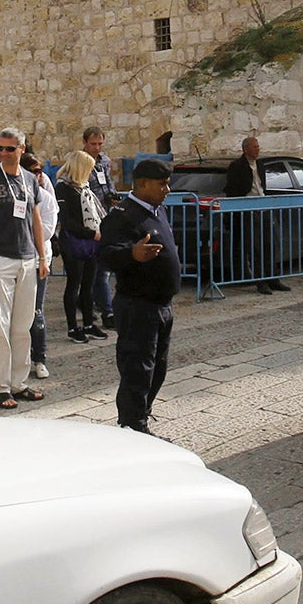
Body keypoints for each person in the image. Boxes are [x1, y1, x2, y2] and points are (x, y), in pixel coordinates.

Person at [98, 157, 184, 434]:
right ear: (143, 184)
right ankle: (132, 426)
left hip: (161, 305)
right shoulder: (122, 216)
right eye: (162, 184)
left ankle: (142, 415)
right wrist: (131, 254)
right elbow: (106, 256)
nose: (167, 189)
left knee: (157, 368)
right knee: (138, 370)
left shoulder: (158, 210)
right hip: (138, 305)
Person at [0, 127, 50, 409]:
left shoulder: (31, 180)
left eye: (10, 148)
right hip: (1, 259)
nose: (3, 153)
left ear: (22, 148)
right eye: (0, 148)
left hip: (27, 258)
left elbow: (36, 220)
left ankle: (19, 382)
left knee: (22, 325)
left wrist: (42, 257)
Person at [225, 134, 289, 294]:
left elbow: (262, 186)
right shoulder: (237, 166)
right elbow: (233, 190)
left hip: (264, 206)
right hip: (249, 209)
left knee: (270, 244)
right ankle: (260, 282)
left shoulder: (260, 165)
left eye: (258, 146)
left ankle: (273, 279)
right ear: (246, 149)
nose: (258, 149)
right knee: (255, 247)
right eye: (254, 147)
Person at [55, 151, 109, 342]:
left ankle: (88, 323)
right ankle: (72, 327)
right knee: (74, 285)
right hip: (74, 241)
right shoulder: (63, 188)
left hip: (91, 242)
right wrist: (91, 233)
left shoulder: (84, 188)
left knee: (88, 285)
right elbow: (68, 221)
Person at [21, 148, 57, 381]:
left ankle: (39, 358)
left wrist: (19, 235)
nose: (39, 176)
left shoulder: (46, 197)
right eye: (33, 171)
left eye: (40, 171)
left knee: (36, 311)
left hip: (36, 259)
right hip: (15, 259)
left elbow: (46, 230)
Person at [83, 127, 118, 327]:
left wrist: (112, 197)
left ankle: (100, 304)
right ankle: (106, 309)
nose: (97, 148)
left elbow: (108, 183)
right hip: (91, 217)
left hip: (107, 215)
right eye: (93, 144)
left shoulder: (104, 161)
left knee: (101, 268)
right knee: (96, 269)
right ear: (85, 142)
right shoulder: (81, 161)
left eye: (100, 144)